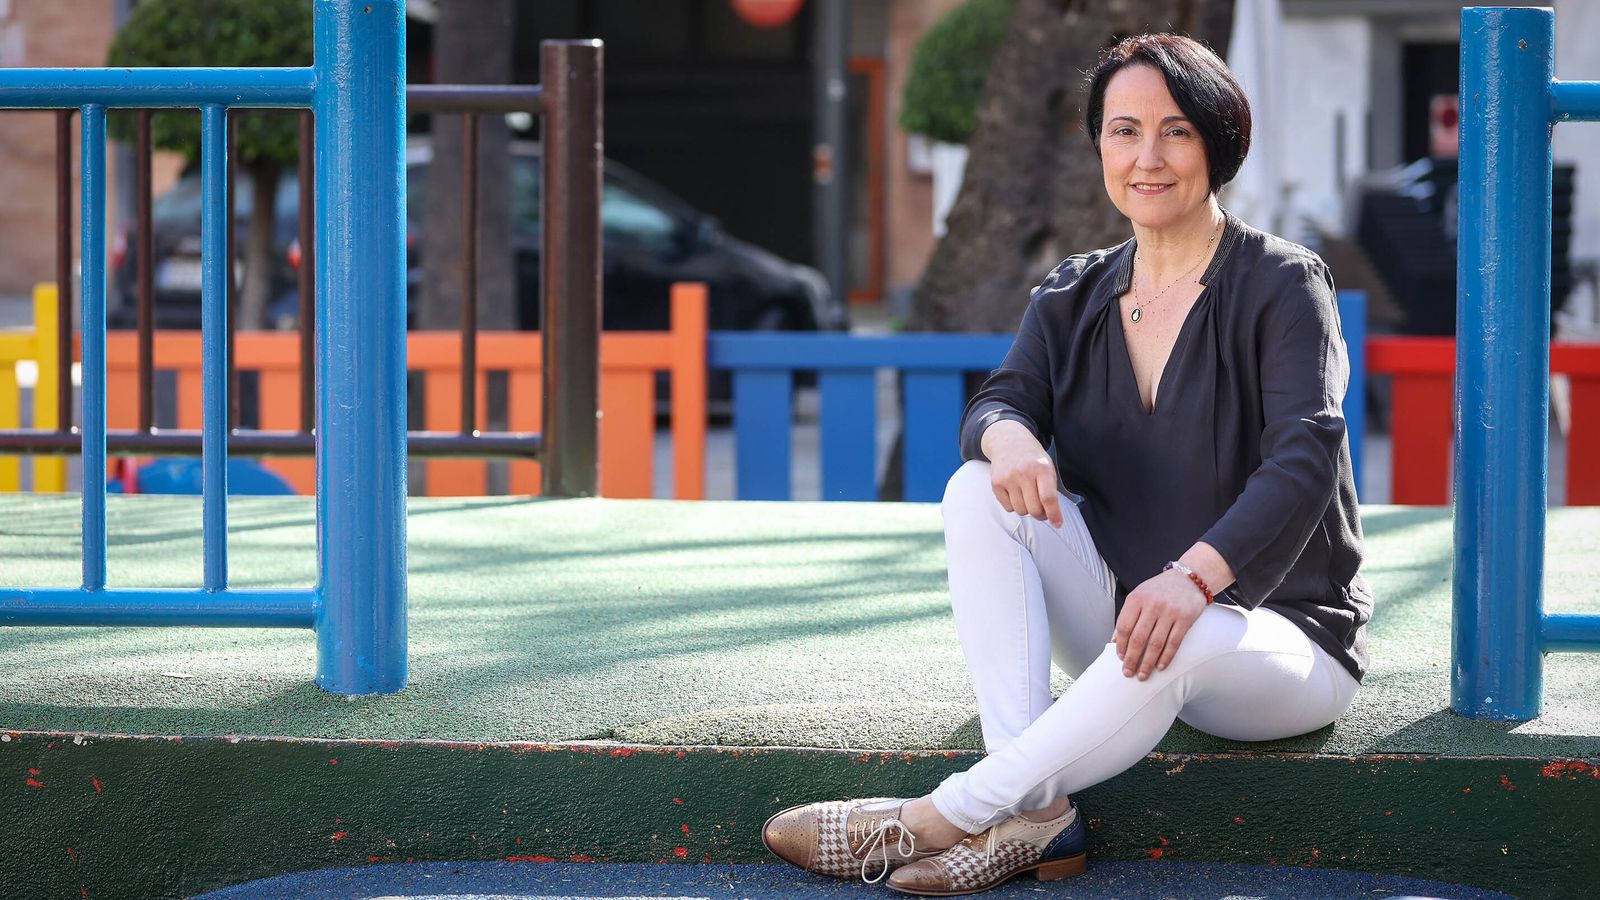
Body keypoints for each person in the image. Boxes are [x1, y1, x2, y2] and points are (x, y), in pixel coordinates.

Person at [761, 32, 1372, 896]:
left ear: (1218, 143)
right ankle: (1039, 819)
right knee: (978, 488)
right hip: (1129, 627)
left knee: (1191, 625)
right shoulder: (1072, 292)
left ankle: (948, 814)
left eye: (1176, 132)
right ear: (1100, 148)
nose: (1147, 158)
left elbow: (1305, 459)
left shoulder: (1282, 282)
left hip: (1277, 642)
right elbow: (999, 399)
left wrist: (1196, 579)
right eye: (1124, 132)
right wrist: (1006, 434)